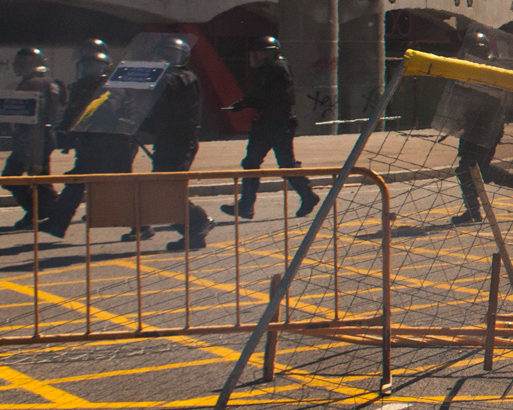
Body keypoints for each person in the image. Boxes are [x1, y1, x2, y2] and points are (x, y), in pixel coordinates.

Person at [221, 37, 318, 221]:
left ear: (273, 52)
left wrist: (248, 102)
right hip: (266, 123)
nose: (260, 57)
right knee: (251, 163)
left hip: (278, 124)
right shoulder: (267, 70)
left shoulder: (278, 68)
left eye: (264, 53)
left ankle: (307, 195)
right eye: (258, 53)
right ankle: (246, 205)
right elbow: (260, 94)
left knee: (285, 164)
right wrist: (245, 103)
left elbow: (278, 97)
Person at [40, 42, 128, 238]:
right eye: (85, 67)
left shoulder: (112, 87)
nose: (89, 71)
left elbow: (108, 111)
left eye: (94, 67)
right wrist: (63, 133)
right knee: (77, 182)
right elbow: (71, 114)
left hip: (110, 145)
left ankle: (142, 225)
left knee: (120, 188)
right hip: (88, 144)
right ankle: (57, 224)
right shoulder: (80, 87)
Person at [450, 28, 513, 226]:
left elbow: (493, 102)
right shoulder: (471, 70)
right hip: (474, 126)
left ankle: (474, 210)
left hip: (488, 126)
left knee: (470, 169)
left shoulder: (491, 69)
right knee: (474, 169)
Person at [143, 37, 211, 253]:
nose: (166, 58)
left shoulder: (185, 78)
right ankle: (194, 233)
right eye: (162, 53)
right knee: (163, 189)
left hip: (181, 141)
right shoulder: (163, 78)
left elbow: (172, 98)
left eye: (171, 54)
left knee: (167, 189)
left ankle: (199, 222)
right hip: (166, 140)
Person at [0, 48, 67, 228]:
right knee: (40, 178)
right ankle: (44, 211)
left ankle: (44, 211)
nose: (19, 66)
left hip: (33, 137)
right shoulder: (48, 81)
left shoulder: (34, 83)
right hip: (41, 136)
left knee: (12, 177)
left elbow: (29, 114)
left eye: (24, 62)